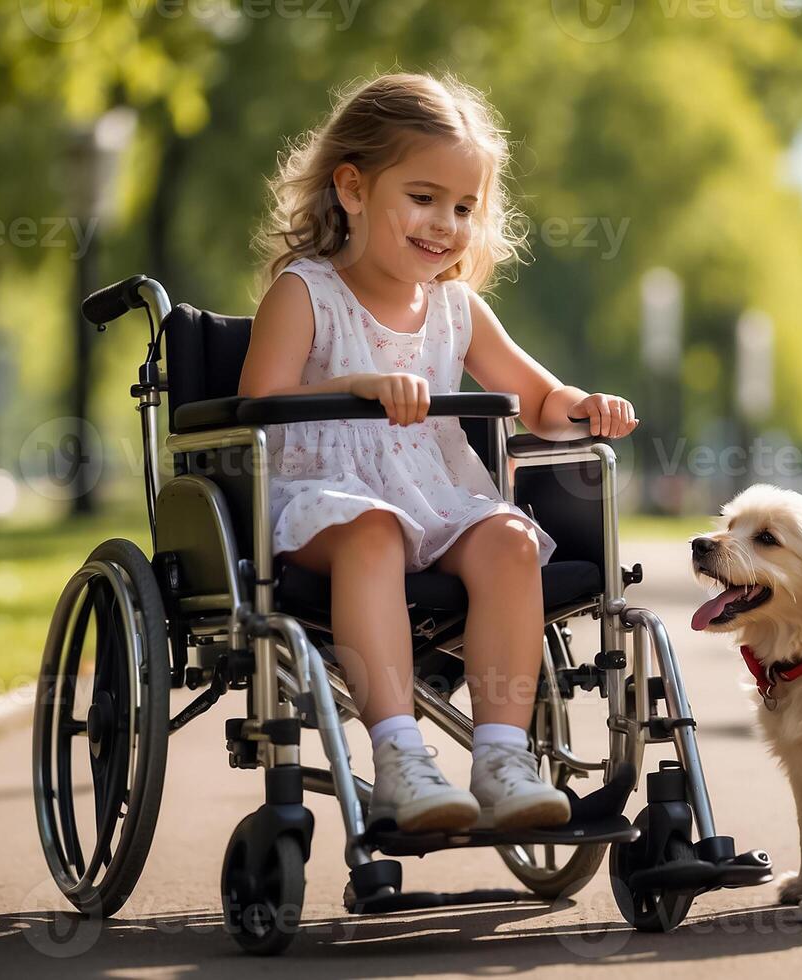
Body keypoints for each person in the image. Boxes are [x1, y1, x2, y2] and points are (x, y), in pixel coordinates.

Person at [238, 72, 639, 833]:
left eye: (463, 207)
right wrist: (355, 385)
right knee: (373, 531)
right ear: (352, 189)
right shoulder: (305, 291)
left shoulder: (457, 308)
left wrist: (581, 407)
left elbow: (535, 399)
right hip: (325, 496)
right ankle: (398, 755)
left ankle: (501, 756)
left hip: (436, 496)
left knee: (512, 540)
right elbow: (259, 402)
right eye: (422, 198)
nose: (444, 225)